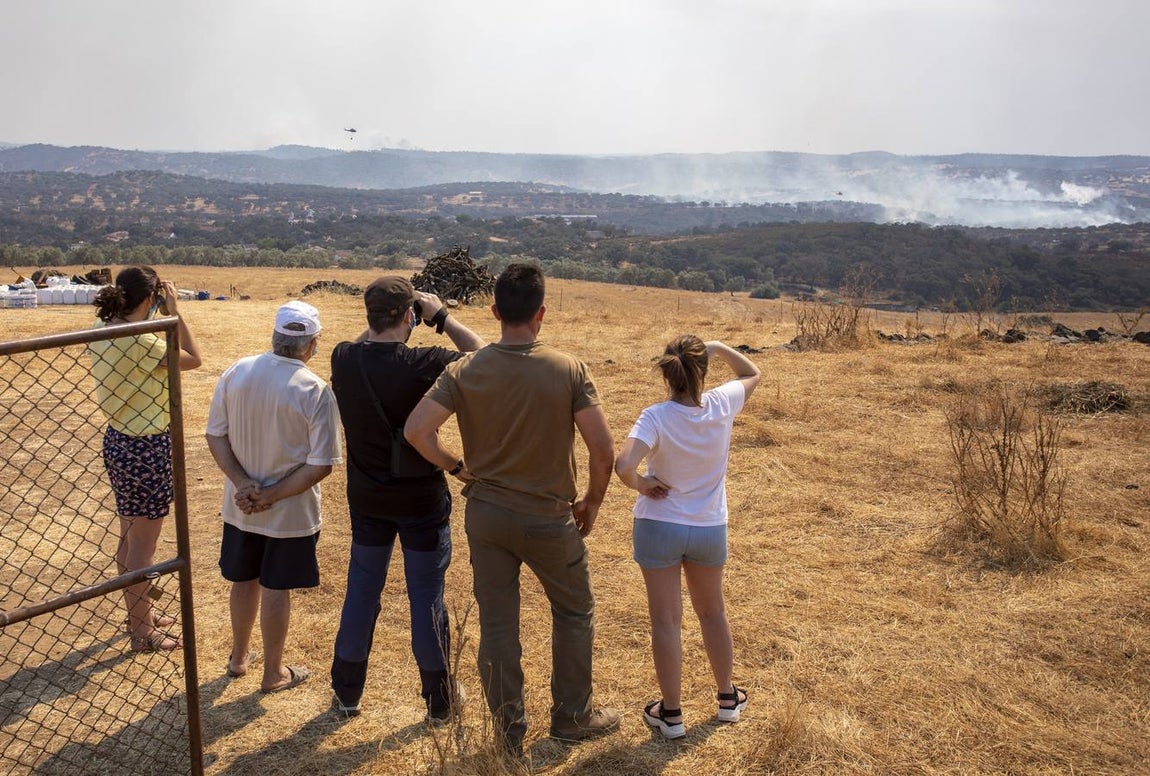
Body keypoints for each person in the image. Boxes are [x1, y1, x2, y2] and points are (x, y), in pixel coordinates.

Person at [405, 263, 619, 757]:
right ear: (542, 312)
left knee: (498, 626)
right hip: (548, 516)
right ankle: (572, 717)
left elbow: (417, 431)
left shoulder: (464, 370)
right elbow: (603, 450)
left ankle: (507, 735)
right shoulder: (568, 369)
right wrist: (592, 501)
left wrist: (456, 467)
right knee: (574, 611)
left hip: (487, 516)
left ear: (495, 312)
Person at [328, 276, 486, 720]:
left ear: (369, 315)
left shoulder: (344, 357)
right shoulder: (425, 362)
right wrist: (442, 317)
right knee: (426, 597)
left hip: (368, 500)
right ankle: (438, 700)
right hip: (420, 501)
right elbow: (485, 358)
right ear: (409, 317)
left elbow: (365, 343)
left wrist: (389, 317)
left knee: (361, 592)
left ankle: (347, 693)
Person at [613, 336, 761, 739]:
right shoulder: (722, 403)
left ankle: (672, 714)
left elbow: (623, 465)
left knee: (666, 620)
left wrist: (642, 485)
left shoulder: (656, 416)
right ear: (703, 371)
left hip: (659, 525)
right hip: (709, 527)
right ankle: (727, 698)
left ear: (667, 374)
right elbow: (752, 372)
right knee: (713, 613)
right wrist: (718, 346)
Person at [205, 300, 343, 693]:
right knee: (276, 588)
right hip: (290, 515)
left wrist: (242, 483)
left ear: (274, 336)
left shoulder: (238, 370)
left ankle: (238, 657)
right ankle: (273, 673)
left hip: (241, 508)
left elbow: (215, 434)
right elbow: (321, 464)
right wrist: (271, 495)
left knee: (243, 580)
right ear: (312, 344)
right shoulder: (314, 389)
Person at [90, 266, 202, 653]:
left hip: (119, 441)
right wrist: (175, 313)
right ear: (152, 297)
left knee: (128, 538)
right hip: (147, 447)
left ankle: (140, 614)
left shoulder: (104, 327)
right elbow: (193, 358)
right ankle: (143, 631)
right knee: (143, 548)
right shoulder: (140, 341)